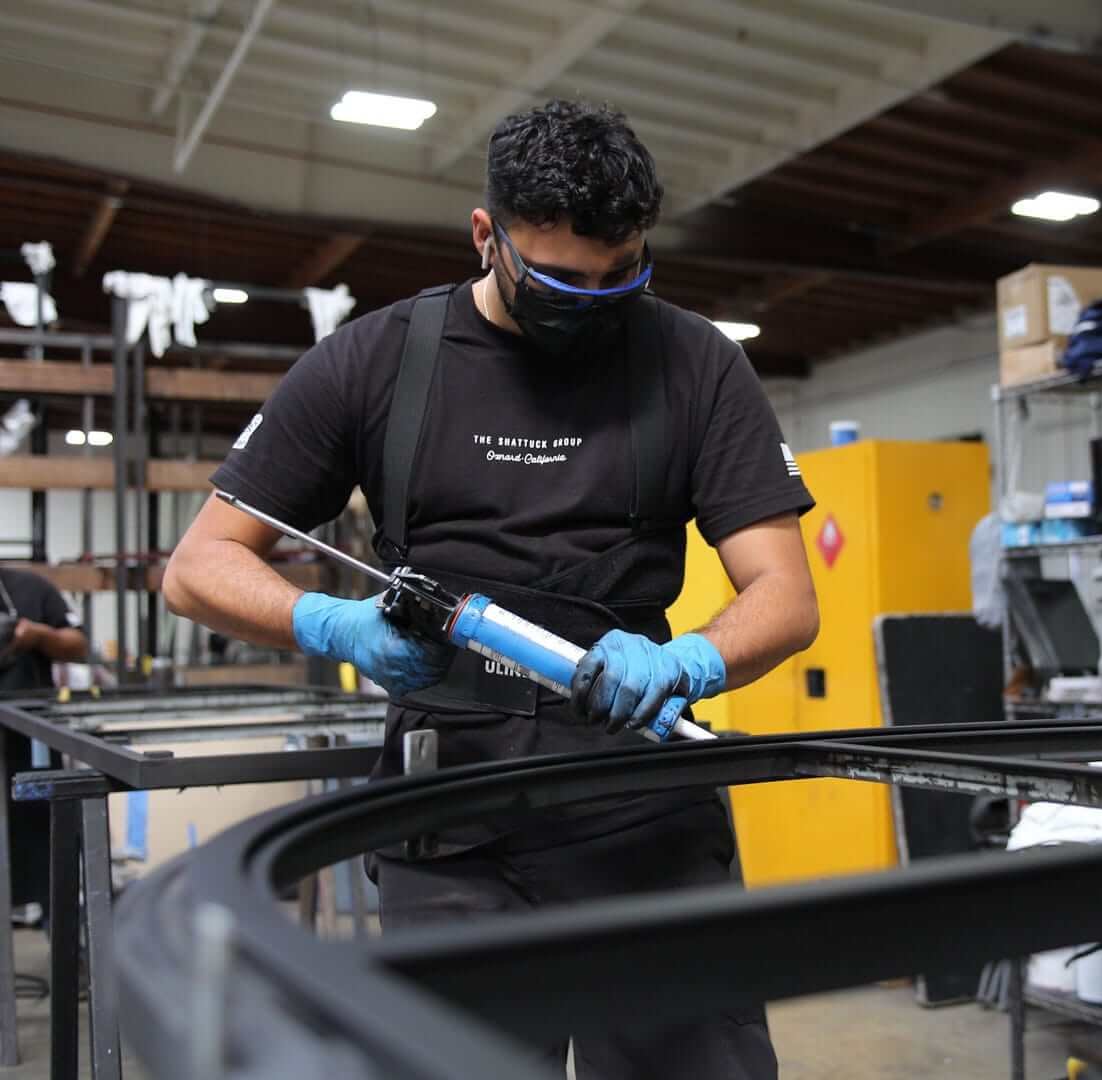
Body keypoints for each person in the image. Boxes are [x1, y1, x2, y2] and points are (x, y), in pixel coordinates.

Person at [164, 99, 818, 1078]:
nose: (593, 301)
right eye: (558, 279)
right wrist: (330, 622)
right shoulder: (374, 361)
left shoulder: (695, 363)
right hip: (448, 821)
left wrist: (694, 656)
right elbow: (198, 566)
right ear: (486, 237)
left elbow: (785, 593)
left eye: (620, 276)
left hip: (639, 811)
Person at [0, 567, 87, 918]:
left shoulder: (30, 588)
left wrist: (39, 637)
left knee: (48, 836)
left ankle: (62, 933)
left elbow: (78, 645)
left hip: (31, 742)